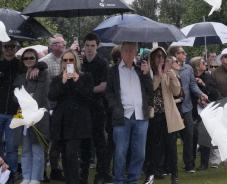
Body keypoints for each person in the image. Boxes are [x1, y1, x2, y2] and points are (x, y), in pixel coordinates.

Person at [105, 42, 153, 184]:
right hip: (122, 116)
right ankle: (119, 180)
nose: (128, 53)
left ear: (136, 53)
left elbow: (151, 91)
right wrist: (114, 107)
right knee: (120, 151)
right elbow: (109, 93)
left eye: (132, 51)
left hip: (141, 116)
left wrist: (146, 75)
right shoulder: (113, 71)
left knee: (139, 153)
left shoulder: (141, 69)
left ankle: (133, 179)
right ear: (121, 53)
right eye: (126, 50)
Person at [48, 49, 94, 184]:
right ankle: (70, 180)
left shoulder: (85, 77)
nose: (68, 62)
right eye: (65, 60)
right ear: (62, 63)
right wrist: (62, 82)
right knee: (65, 155)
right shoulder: (58, 79)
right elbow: (51, 96)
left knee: (73, 153)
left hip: (79, 123)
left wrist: (77, 80)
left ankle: (78, 180)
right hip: (62, 122)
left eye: (71, 60)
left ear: (76, 61)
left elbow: (89, 97)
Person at [142, 48, 183, 184]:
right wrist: (158, 76)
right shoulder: (148, 73)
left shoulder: (169, 72)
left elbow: (177, 92)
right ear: (152, 58)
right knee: (153, 147)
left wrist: (172, 78)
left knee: (171, 146)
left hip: (168, 115)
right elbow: (150, 90)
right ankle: (151, 174)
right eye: (157, 56)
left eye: (162, 57)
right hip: (153, 116)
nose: (160, 59)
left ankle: (174, 175)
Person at [12, 47, 48, 184]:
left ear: (36, 59)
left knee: (37, 149)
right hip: (22, 117)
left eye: (31, 58)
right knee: (26, 149)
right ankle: (26, 176)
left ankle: (36, 178)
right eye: (26, 58)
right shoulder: (20, 76)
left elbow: (41, 94)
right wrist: (27, 97)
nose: (28, 60)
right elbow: (15, 96)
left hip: (37, 117)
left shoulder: (42, 73)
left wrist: (26, 98)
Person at [79, 33, 111, 184]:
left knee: (100, 142)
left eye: (92, 46)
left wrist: (87, 90)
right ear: (83, 46)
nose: (90, 49)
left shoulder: (102, 63)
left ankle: (102, 174)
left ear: (97, 46)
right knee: (84, 142)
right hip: (82, 108)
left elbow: (104, 86)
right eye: (87, 46)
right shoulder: (79, 61)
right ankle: (83, 174)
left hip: (98, 107)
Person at [170, 45, 204, 175]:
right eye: (182, 52)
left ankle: (189, 164)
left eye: (184, 52)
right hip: (172, 109)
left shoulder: (188, 68)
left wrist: (200, 94)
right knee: (171, 139)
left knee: (189, 136)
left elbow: (192, 85)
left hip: (187, 107)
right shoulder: (168, 69)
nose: (185, 54)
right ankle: (169, 166)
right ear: (174, 55)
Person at [39, 34, 67, 179]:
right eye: (56, 43)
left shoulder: (68, 61)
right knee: (45, 140)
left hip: (62, 109)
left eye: (62, 43)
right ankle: (42, 170)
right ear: (51, 46)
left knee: (58, 140)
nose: (60, 45)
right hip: (47, 108)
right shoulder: (43, 62)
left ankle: (55, 169)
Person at [0, 40, 25, 176]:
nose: (9, 49)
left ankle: (12, 172)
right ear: (2, 49)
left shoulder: (21, 65)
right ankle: (1, 172)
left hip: (14, 112)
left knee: (11, 146)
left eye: (12, 47)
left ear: (16, 48)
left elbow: (39, 64)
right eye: (6, 47)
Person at [190, 57, 219, 171]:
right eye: (203, 63)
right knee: (192, 137)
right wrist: (197, 100)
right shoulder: (191, 76)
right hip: (193, 110)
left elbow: (214, 93)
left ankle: (204, 163)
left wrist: (203, 84)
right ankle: (190, 162)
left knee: (204, 136)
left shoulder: (207, 77)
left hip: (206, 110)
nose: (205, 64)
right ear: (197, 66)